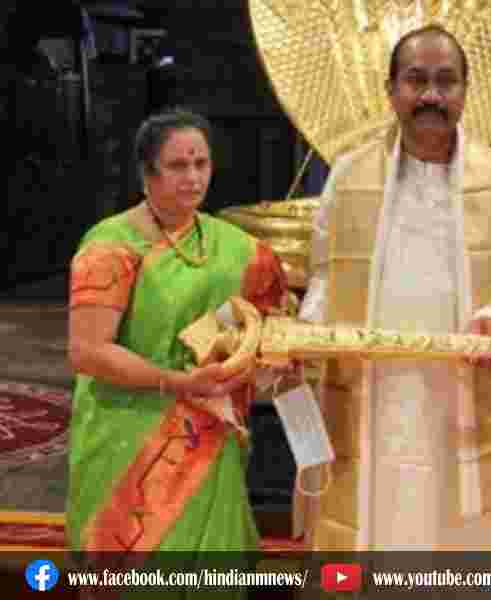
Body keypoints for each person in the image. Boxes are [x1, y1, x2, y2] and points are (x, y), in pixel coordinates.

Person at [293, 24, 491, 550]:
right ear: (391, 89)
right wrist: (307, 336)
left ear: (465, 90)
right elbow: (325, 276)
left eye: (446, 81)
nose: (431, 95)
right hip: (373, 402)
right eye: (416, 80)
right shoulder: (348, 175)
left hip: (466, 401)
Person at [66, 109, 290, 578]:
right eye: (177, 166)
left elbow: (266, 319)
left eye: (201, 164)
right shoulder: (111, 246)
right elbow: (88, 351)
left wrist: (266, 359)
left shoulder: (236, 247)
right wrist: (179, 382)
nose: (193, 177)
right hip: (129, 437)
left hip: (211, 431)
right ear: (147, 172)